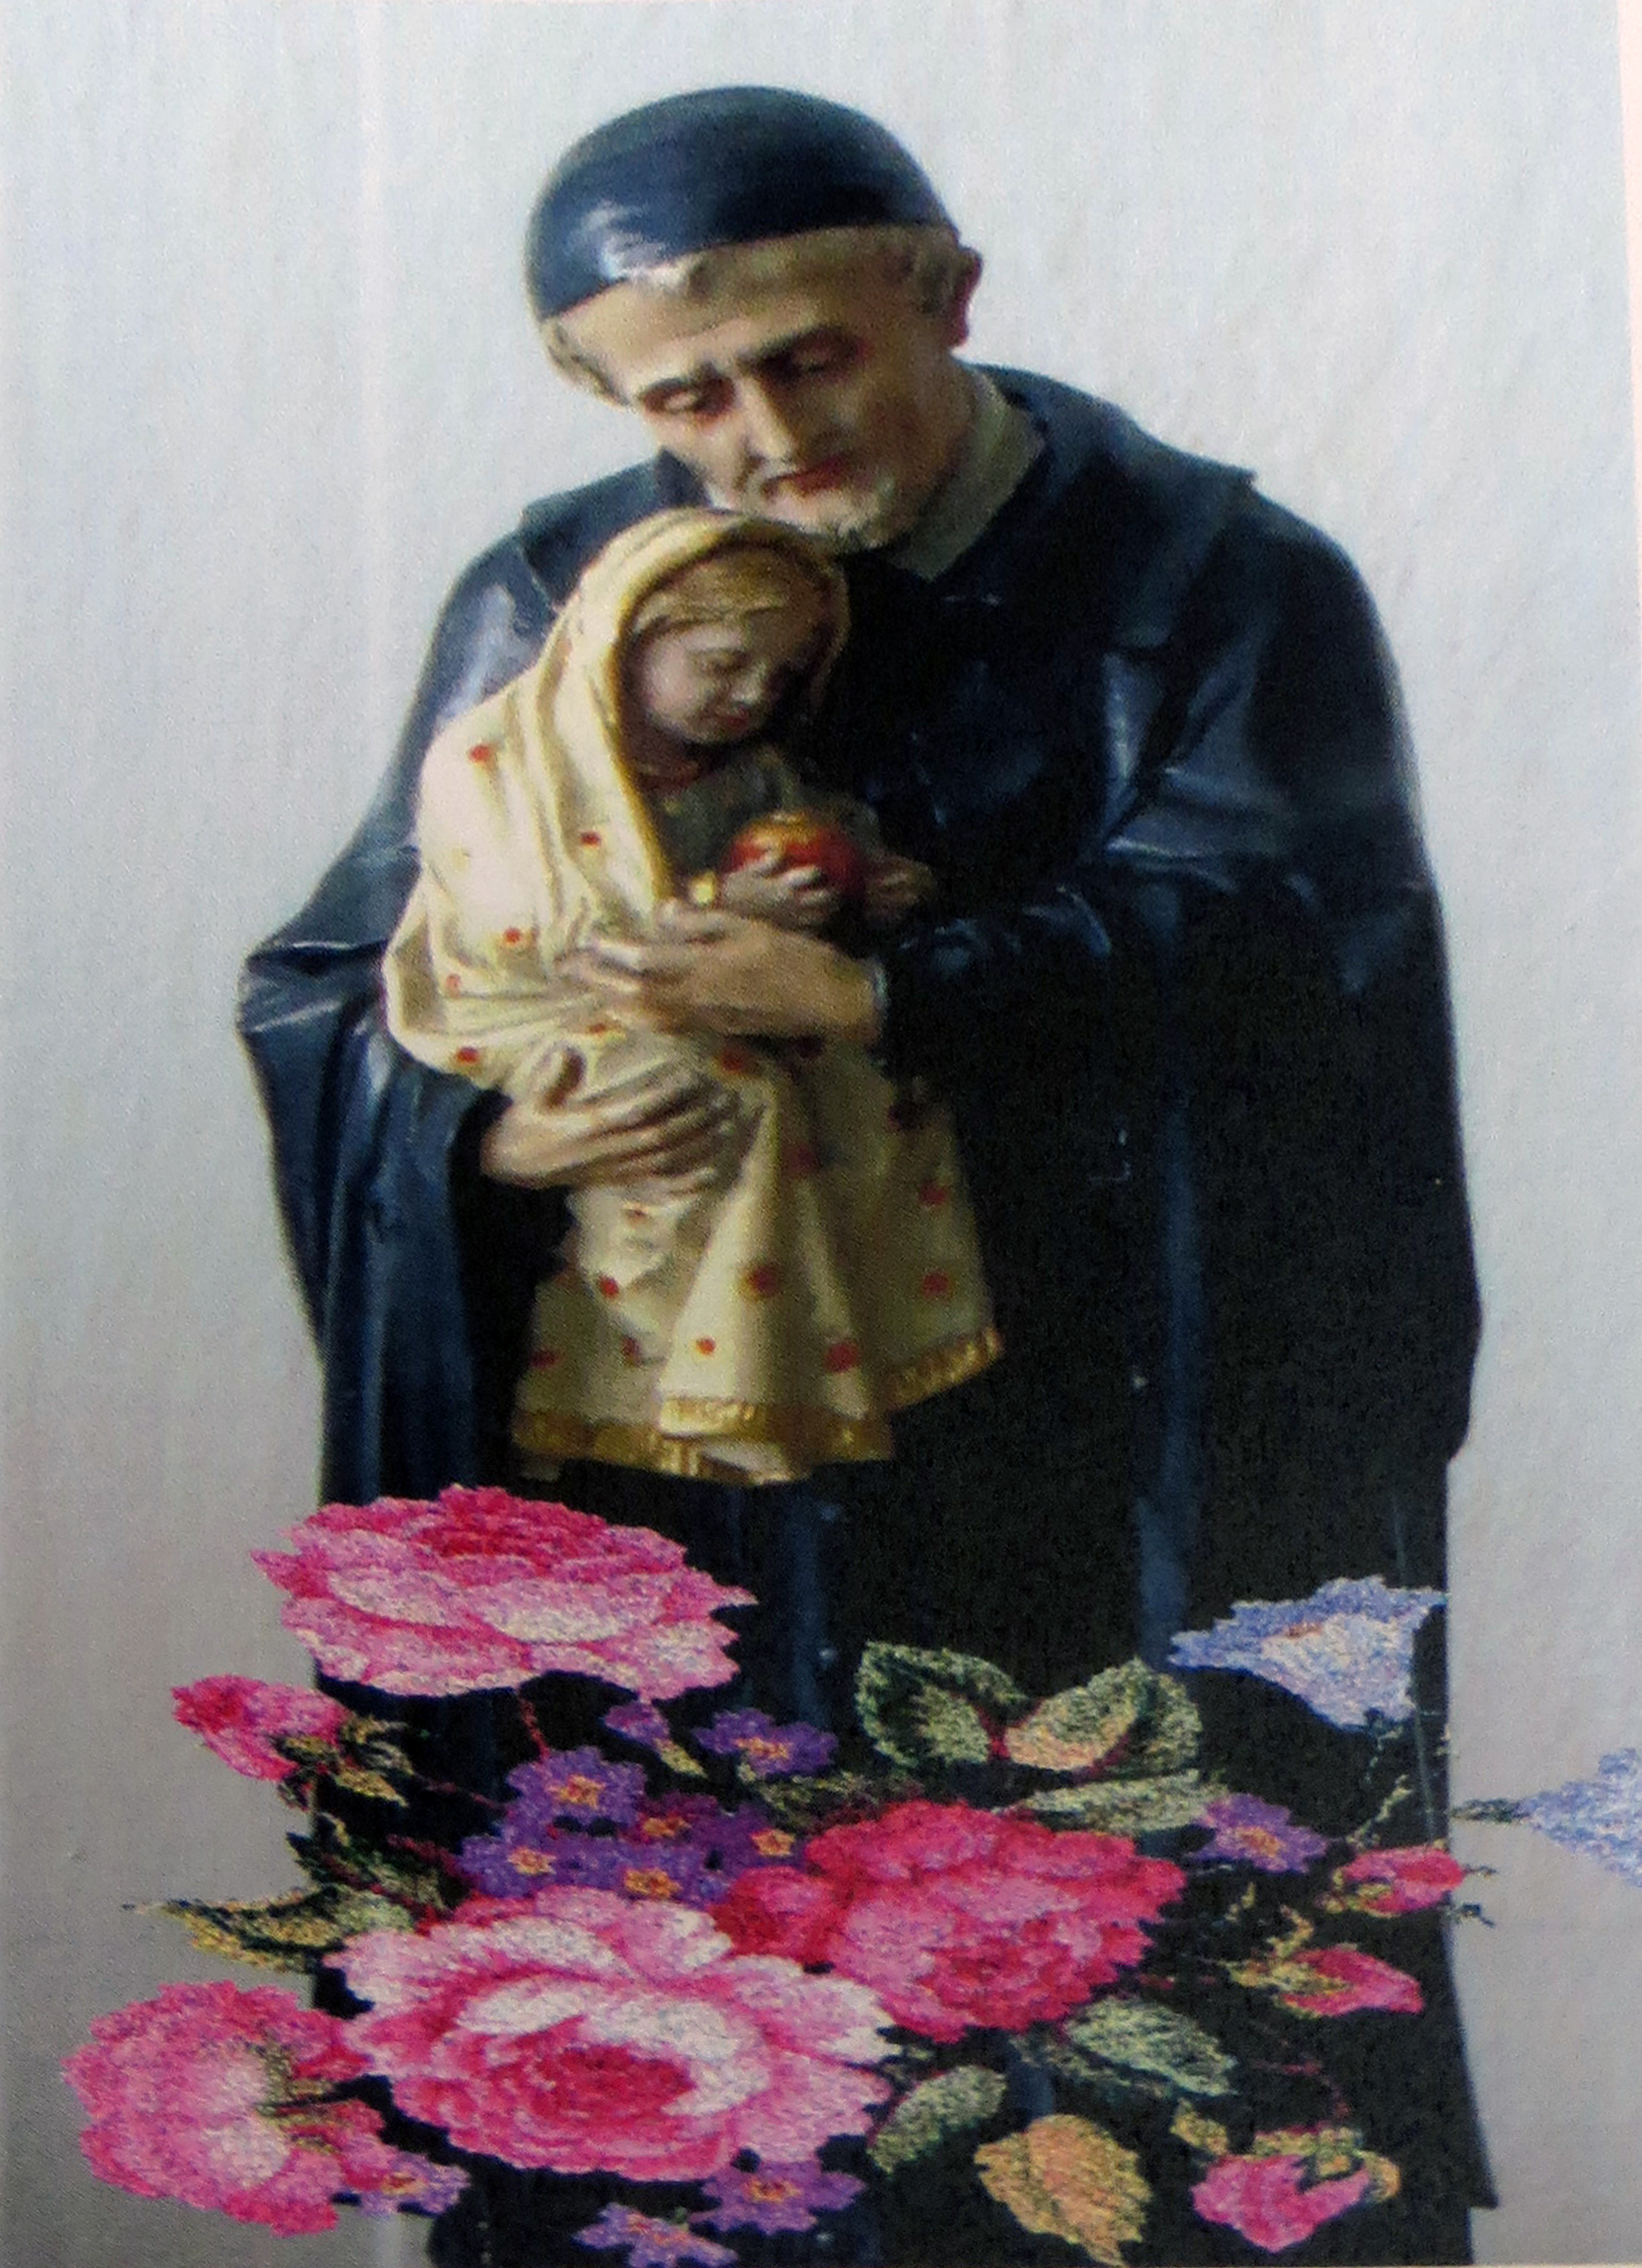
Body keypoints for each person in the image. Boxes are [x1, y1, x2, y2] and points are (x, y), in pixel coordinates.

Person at [239, 87, 1489, 2256]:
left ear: (944, 296)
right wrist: (485, 1136)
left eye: (809, 359)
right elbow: (354, 979)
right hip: (679, 1449)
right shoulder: (563, 596)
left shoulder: (1207, 584)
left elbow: (1307, 957)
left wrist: (893, 996)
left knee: (1092, 2064)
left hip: (1092, 1441)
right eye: (687, 399)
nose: (764, 437)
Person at [383, 505, 997, 1489]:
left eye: (780, 676)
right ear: (625, 636)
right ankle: (668, 1389)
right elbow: (541, 932)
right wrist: (718, 906)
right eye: (722, 664)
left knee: (874, 1094)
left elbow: (812, 835)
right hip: (532, 1007)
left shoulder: (746, 774)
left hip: (693, 993)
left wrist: (862, 881)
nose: (751, 696)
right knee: (729, 1100)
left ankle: (839, 1367)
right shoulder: (498, 759)